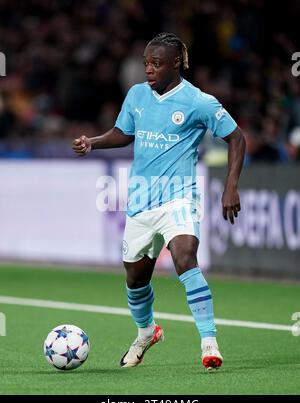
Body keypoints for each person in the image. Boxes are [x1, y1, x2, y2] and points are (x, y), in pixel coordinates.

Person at [72, 32, 246, 370]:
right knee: (136, 279)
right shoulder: (137, 94)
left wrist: (231, 186)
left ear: (176, 63)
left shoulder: (199, 102)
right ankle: (146, 331)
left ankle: (209, 343)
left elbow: (237, 138)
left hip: (179, 197)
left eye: (156, 63)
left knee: (184, 257)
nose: (148, 69)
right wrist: (92, 142)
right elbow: (124, 133)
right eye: (146, 63)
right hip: (140, 202)